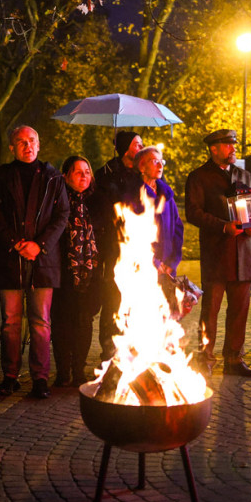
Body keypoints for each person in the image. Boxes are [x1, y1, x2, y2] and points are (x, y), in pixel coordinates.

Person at [0, 126, 69, 399]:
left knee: (41, 322)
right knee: (10, 322)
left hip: (43, 262)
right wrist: (15, 243)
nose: (27, 146)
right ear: (12, 147)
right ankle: (10, 376)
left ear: (39, 144)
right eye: (21, 142)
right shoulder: (0, 177)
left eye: (32, 140)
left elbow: (62, 214)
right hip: (10, 260)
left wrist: (39, 245)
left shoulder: (53, 177)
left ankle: (40, 379)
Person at [184, 129, 251, 377]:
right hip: (217, 253)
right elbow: (193, 212)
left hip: (244, 254)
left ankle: (234, 359)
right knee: (211, 311)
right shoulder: (199, 177)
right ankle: (205, 358)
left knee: (240, 310)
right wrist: (222, 225)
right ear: (214, 148)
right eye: (228, 145)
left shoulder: (244, 175)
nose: (233, 149)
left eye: (234, 145)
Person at [51, 156, 103, 387]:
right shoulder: (56, 201)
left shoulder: (97, 202)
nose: (84, 176)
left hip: (89, 272)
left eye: (87, 172)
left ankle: (78, 370)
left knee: (84, 321)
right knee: (62, 321)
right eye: (78, 172)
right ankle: (63, 371)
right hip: (62, 270)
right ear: (66, 176)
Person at [93, 130, 144, 361]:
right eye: (137, 144)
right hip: (113, 246)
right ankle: (109, 348)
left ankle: (132, 345)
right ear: (125, 149)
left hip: (138, 244)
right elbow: (100, 207)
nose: (141, 147)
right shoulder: (106, 173)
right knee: (113, 297)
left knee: (136, 297)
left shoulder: (142, 173)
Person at [131, 146, 184, 279]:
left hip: (168, 268)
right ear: (141, 166)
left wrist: (173, 262)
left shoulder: (166, 196)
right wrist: (154, 262)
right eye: (154, 161)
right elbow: (133, 234)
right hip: (143, 266)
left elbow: (178, 229)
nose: (160, 165)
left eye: (162, 161)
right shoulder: (134, 196)